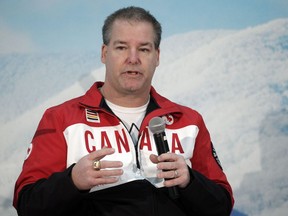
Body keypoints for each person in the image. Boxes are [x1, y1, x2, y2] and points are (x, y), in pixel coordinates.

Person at [13, 6, 234, 216]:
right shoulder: (61, 118)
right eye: (121, 47)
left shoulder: (188, 121)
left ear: (157, 56)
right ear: (104, 53)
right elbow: (28, 205)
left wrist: (190, 182)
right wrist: (72, 181)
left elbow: (221, 207)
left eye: (144, 49)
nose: (133, 58)